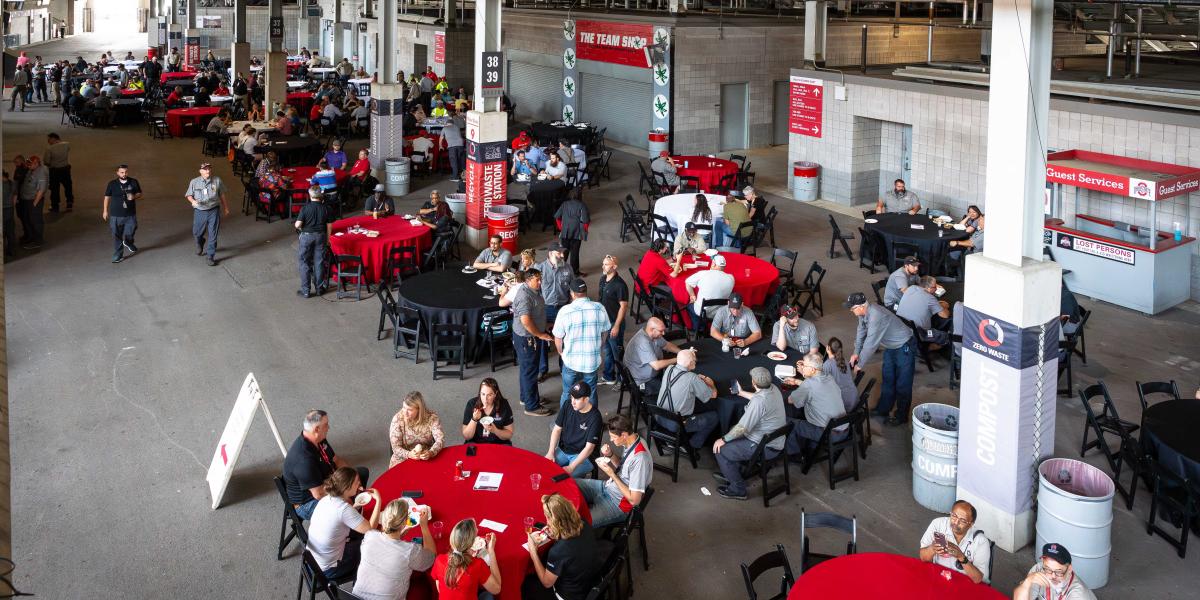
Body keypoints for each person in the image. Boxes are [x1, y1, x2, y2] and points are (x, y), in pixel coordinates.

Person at [712, 367, 788, 501]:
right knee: (731, 429)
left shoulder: (758, 402)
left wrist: (723, 439)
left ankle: (738, 489)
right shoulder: (774, 388)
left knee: (720, 449)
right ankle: (733, 473)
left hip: (764, 447)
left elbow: (742, 428)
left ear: (753, 382)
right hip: (776, 440)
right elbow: (759, 398)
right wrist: (741, 393)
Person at [281, 409, 369, 520]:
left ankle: (356, 511)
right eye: (326, 425)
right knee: (345, 507)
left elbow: (336, 460)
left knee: (361, 473)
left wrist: (355, 478)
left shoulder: (319, 439)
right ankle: (352, 529)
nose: (329, 428)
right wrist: (345, 497)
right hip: (308, 503)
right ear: (316, 429)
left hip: (328, 481)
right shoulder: (303, 459)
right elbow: (319, 494)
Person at [845, 292, 916, 426]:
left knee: (903, 383)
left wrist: (859, 364)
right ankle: (883, 409)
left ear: (860, 306)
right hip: (891, 346)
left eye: (852, 308)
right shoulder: (863, 313)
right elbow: (861, 332)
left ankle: (901, 416)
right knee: (888, 378)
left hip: (904, 346)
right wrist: (856, 353)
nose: (850, 310)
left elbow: (871, 343)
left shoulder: (876, 315)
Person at [574, 415, 651, 527]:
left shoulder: (640, 460)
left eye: (613, 437)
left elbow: (634, 501)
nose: (610, 440)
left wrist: (612, 474)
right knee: (570, 483)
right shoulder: (634, 440)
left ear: (624, 435)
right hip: (607, 487)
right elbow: (625, 467)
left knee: (578, 525)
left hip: (616, 504)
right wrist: (610, 455)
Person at [525, 493, 599, 600]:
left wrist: (533, 552)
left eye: (547, 517)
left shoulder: (558, 551)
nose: (546, 520)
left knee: (527, 584)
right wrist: (556, 533)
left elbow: (547, 583)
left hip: (569, 595)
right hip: (587, 582)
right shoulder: (584, 523)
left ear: (553, 520)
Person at [553, 279, 611, 409]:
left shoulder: (565, 311)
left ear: (572, 294)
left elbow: (558, 338)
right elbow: (605, 332)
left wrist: (561, 352)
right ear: (585, 292)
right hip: (591, 361)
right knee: (591, 393)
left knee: (568, 393)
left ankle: (564, 423)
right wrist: (598, 346)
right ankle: (592, 424)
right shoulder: (599, 308)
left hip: (571, 362)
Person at [307, 467, 372, 580]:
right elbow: (370, 529)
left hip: (314, 560)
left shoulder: (326, 499)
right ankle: (362, 585)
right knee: (373, 545)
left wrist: (354, 507)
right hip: (330, 569)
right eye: (357, 482)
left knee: (359, 538)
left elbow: (339, 517)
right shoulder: (343, 509)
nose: (359, 484)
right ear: (347, 487)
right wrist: (378, 499)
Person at [783, 352, 848, 455]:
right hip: (844, 429)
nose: (802, 368)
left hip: (828, 434)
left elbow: (791, 400)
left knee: (786, 422)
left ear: (812, 369)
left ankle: (794, 454)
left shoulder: (808, 385)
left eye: (804, 365)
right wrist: (797, 382)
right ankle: (809, 444)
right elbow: (815, 385)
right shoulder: (829, 377)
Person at [656, 348, 719, 450]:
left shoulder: (669, 368)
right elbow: (713, 394)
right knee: (714, 416)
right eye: (694, 360)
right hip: (676, 423)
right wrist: (711, 384)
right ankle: (691, 446)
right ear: (690, 363)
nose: (696, 361)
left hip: (658, 416)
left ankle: (671, 438)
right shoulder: (692, 378)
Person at [512, 269, 556, 417]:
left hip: (527, 337)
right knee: (530, 372)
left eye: (540, 279)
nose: (540, 282)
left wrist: (545, 325)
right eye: (537, 280)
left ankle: (527, 398)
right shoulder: (525, 296)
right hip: (528, 339)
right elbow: (525, 321)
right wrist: (541, 334)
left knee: (526, 370)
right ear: (527, 280)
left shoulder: (532, 290)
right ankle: (531, 406)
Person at [919, 500, 991, 584]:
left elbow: (979, 580)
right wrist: (932, 549)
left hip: (965, 585)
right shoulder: (938, 524)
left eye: (963, 521)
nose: (956, 522)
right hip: (939, 577)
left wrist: (961, 557)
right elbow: (923, 557)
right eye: (954, 516)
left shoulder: (980, 541)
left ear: (971, 524)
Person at [432, 520, 501, 600]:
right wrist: (491, 550)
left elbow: (439, 589)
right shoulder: (478, 564)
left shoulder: (439, 560)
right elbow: (497, 589)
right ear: (471, 544)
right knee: (488, 596)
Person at [546, 382, 603, 477]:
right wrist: (550, 452)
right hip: (564, 449)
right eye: (572, 397)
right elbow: (556, 429)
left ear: (586, 399)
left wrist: (571, 467)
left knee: (564, 480)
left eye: (577, 399)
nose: (573, 402)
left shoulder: (595, 417)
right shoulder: (567, 404)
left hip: (584, 456)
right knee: (544, 468)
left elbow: (589, 448)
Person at [623, 317, 681, 398]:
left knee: (679, 381)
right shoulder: (643, 342)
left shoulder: (654, 336)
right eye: (661, 331)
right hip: (644, 381)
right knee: (674, 391)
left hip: (652, 374)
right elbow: (656, 366)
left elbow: (666, 345)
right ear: (652, 330)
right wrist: (679, 359)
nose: (663, 333)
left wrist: (681, 352)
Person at [1013, 543, 1095, 600]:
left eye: (1058, 572)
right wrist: (1027, 582)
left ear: (1069, 569)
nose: (1052, 576)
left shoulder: (1079, 595)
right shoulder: (1039, 569)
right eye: (1048, 569)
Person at [185, 163, 229, 266]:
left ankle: (210, 256)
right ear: (200, 171)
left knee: (213, 234)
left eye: (209, 169)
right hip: (200, 211)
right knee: (197, 233)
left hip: (214, 210)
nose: (207, 171)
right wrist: (193, 201)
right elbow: (188, 195)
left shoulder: (217, 180)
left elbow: (222, 194)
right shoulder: (194, 182)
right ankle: (200, 242)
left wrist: (226, 207)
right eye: (205, 169)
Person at [388, 391, 445, 467]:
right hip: (403, 457)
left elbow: (440, 440)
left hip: (425, 455)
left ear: (419, 410)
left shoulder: (432, 418)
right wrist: (409, 454)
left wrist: (431, 452)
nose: (405, 412)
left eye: (409, 410)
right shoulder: (398, 419)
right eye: (404, 408)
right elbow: (395, 447)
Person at [597, 255, 629, 387]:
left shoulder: (620, 285)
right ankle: (608, 376)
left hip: (614, 324)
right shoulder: (603, 279)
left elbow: (623, 306)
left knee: (618, 354)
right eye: (603, 263)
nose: (603, 266)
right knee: (608, 351)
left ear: (614, 267)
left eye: (606, 264)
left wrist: (616, 326)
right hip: (604, 323)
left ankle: (623, 381)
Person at [294, 186, 332, 298]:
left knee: (304, 262)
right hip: (321, 236)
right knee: (319, 262)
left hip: (306, 236)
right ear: (321, 195)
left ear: (310, 196)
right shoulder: (326, 208)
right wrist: (328, 240)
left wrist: (301, 228)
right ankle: (320, 289)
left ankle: (306, 291)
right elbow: (329, 226)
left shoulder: (305, 208)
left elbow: (297, 225)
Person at [102, 164, 142, 264]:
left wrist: (134, 196)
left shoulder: (133, 182)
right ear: (117, 173)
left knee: (132, 229)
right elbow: (107, 197)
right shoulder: (112, 184)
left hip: (130, 214)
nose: (124, 174)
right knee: (117, 235)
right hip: (116, 214)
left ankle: (128, 242)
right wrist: (105, 211)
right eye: (122, 172)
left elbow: (139, 193)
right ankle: (118, 254)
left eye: (126, 172)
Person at [685, 254, 735, 329]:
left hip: (702, 311)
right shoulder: (731, 278)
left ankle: (698, 329)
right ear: (724, 266)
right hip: (720, 312)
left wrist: (692, 295)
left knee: (689, 306)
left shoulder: (703, 273)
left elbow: (687, 282)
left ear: (713, 264)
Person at [462, 378, 515, 445]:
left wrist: (495, 431)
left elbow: (509, 434)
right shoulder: (471, 404)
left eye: (489, 395)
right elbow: (467, 436)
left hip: (498, 443)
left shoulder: (504, 405)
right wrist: (474, 419)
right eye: (483, 394)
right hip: (476, 443)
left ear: (495, 394)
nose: (485, 399)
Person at [536, 242, 575, 327]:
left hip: (564, 307)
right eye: (559, 253)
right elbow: (534, 291)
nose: (562, 256)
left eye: (562, 252)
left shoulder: (568, 268)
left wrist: (572, 305)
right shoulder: (539, 269)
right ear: (550, 253)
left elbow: (573, 288)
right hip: (546, 308)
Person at [555, 189, 590, 276]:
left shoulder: (564, 204)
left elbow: (557, 217)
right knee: (575, 253)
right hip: (577, 233)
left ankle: (558, 270)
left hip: (565, 232)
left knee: (562, 252)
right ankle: (575, 272)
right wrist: (584, 231)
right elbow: (586, 221)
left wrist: (561, 228)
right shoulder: (582, 205)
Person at [17, 156, 48, 250]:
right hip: (26, 200)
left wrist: (35, 203)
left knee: (35, 221)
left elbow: (41, 190)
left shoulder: (41, 173)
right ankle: (31, 237)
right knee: (27, 219)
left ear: (36, 163)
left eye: (29, 164)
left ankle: (38, 241)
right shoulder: (32, 169)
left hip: (33, 201)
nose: (27, 166)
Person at [823, 338, 859, 412]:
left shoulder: (827, 364)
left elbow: (821, 384)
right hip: (854, 399)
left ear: (828, 348)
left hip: (843, 404)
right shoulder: (844, 360)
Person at [44, 133, 74, 213]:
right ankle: (69, 203)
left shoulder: (49, 149)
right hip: (65, 169)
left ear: (53, 139)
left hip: (54, 171)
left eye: (49, 139)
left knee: (54, 189)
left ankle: (55, 206)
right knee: (68, 186)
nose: (48, 141)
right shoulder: (67, 144)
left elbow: (46, 161)